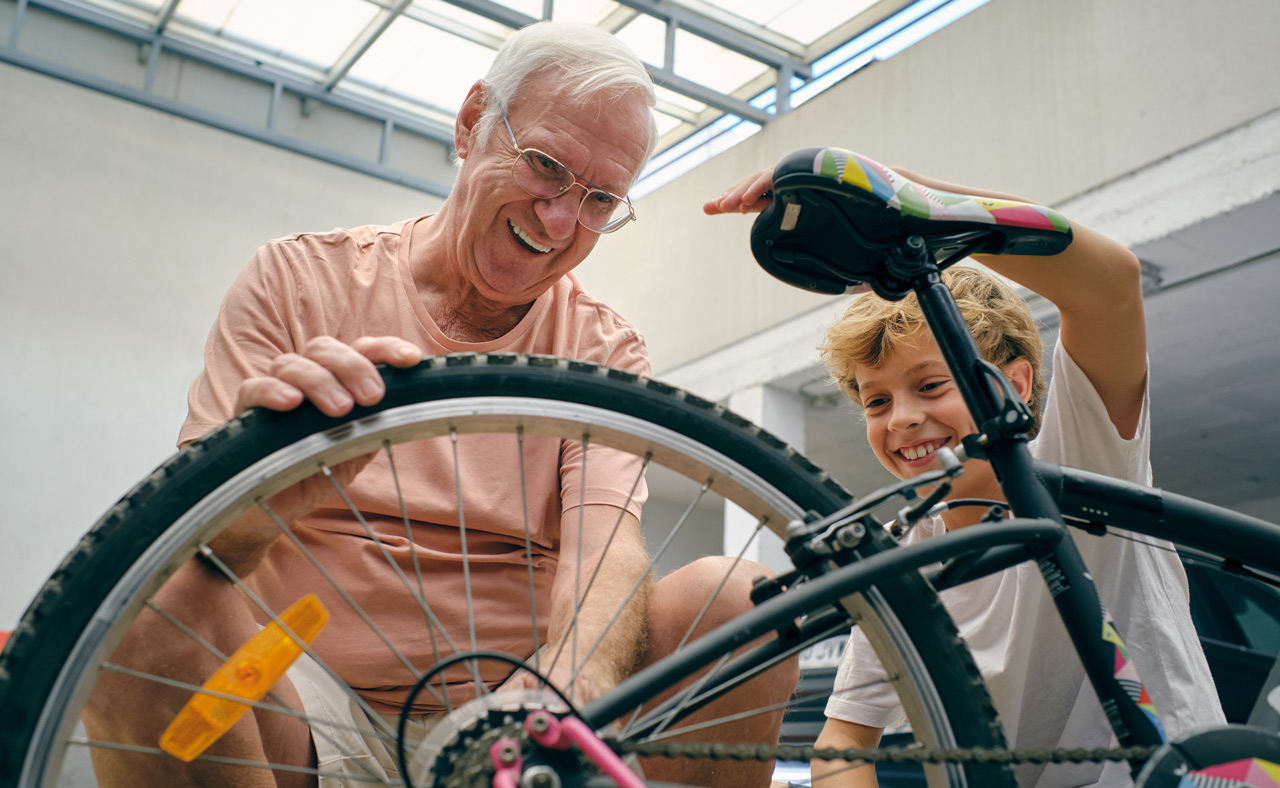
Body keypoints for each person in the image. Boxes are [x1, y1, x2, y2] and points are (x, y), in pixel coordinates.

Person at [82, 23, 796, 788]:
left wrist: (569, 673)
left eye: (598, 201)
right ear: (470, 125)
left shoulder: (602, 347)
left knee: (735, 599)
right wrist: (269, 485)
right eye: (546, 165)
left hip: (508, 708)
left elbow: (606, 545)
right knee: (140, 605)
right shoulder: (296, 282)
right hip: (295, 702)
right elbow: (197, 547)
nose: (558, 220)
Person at [706, 157, 1224, 786]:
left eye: (929, 385)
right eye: (876, 401)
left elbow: (1111, 280)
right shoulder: (902, 557)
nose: (900, 419)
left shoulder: (1080, 459)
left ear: (1015, 384)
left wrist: (900, 196)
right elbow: (843, 740)